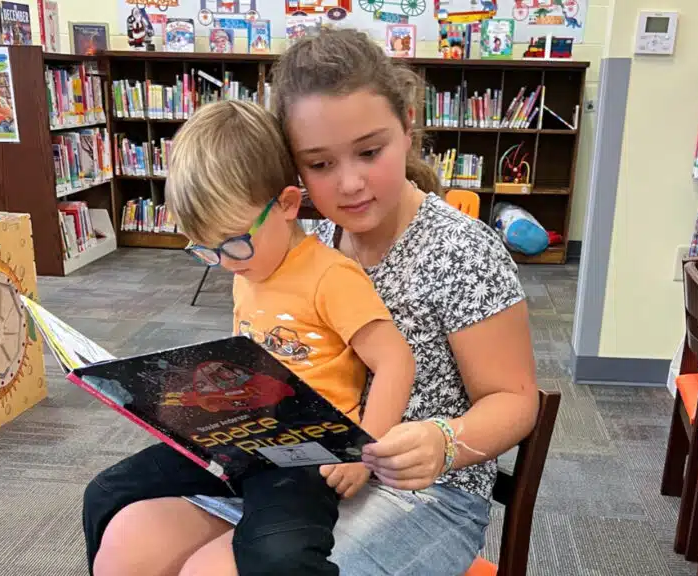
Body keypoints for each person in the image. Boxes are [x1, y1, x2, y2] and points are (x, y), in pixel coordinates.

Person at [83, 28, 539, 576]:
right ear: (293, 176)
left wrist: (443, 441)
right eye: (320, 164)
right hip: (287, 466)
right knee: (126, 542)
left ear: (409, 127)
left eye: (370, 151)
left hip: (422, 491)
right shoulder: (306, 245)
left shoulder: (462, 249)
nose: (349, 183)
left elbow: (516, 400)